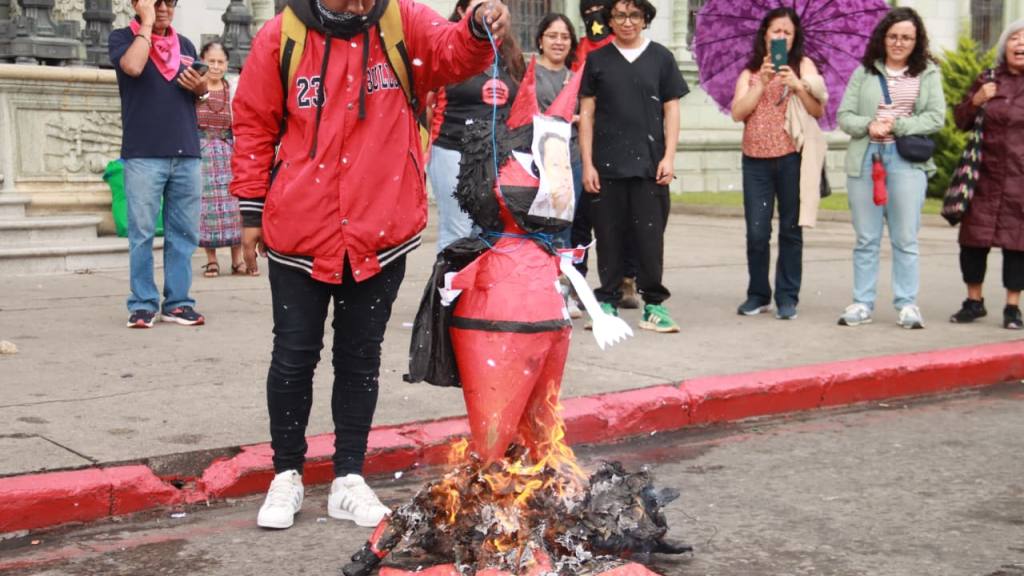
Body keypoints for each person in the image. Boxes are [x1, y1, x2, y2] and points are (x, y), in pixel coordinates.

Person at [229, 0, 509, 530]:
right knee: (293, 356)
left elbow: (453, 55)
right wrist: (249, 208)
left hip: (382, 227)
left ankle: (348, 478)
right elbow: (253, 124)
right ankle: (286, 473)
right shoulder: (280, 38)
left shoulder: (404, 22)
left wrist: (475, 28)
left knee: (360, 357)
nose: (360, 4)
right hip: (299, 231)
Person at [579, 0, 688, 333]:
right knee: (608, 238)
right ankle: (607, 303)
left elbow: (671, 111)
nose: (627, 22)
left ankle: (653, 305)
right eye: (620, 16)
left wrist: (669, 156)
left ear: (645, 20)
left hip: (649, 166)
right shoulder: (597, 60)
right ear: (609, 20)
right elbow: (587, 115)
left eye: (634, 16)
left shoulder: (661, 59)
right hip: (606, 165)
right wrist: (587, 164)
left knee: (649, 239)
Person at [836, 7, 944, 329]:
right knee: (866, 238)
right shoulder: (865, 72)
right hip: (867, 158)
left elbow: (936, 117)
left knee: (905, 237)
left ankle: (907, 303)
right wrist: (870, 125)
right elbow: (845, 116)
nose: (899, 43)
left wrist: (897, 124)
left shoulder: (928, 73)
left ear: (916, 41)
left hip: (907, 162)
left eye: (906, 38)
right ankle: (861, 303)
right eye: (893, 36)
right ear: (883, 38)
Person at [110, 0, 208, 329]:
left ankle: (178, 303)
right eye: (155, 1)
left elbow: (201, 93)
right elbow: (134, 67)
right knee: (141, 234)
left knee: (184, 234)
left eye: (169, 2)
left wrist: (202, 89)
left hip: (186, 152)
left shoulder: (186, 45)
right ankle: (143, 303)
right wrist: (148, 23)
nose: (164, 7)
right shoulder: (123, 38)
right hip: (143, 154)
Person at [730, 7, 824, 321]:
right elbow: (737, 113)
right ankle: (758, 294)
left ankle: (787, 297)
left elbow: (817, 111)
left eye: (787, 32)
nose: (781, 37)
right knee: (757, 232)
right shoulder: (751, 71)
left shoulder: (804, 65)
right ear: (765, 34)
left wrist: (797, 84)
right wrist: (762, 82)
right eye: (776, 31)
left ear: (794, 37)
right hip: (755, 161)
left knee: (790, 230)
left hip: (790, 159)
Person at [427, 0, 524, 252]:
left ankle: (479, 291)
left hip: (495, 155)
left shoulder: (510, 54)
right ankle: (449, 290)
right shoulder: (446, 46)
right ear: (461, 11)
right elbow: (426, 105)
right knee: (458, 231)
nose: (489, 11)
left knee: (488, 230)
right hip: (452, 149)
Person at [949, 19, 1024, 330]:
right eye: (1015, 38)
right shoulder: (987, 79)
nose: (1020, 44)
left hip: (1020, 178)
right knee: (972, 241)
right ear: (1004, 45)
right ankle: (974, 301)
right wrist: (977, 99)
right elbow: (961, 120)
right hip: (983, 175)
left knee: (1018, 244)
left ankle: (1012, 307)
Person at [195, 41, 245, 278]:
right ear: (202, 61)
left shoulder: (232, 88)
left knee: (235, 207)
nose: (215, 66)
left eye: (220, 62)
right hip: (202, 154)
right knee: (207, 210)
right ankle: (212, 260)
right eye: (210, 61)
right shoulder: (195, 87)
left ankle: (237, 260)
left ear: (226, 64)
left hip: (229, 153)